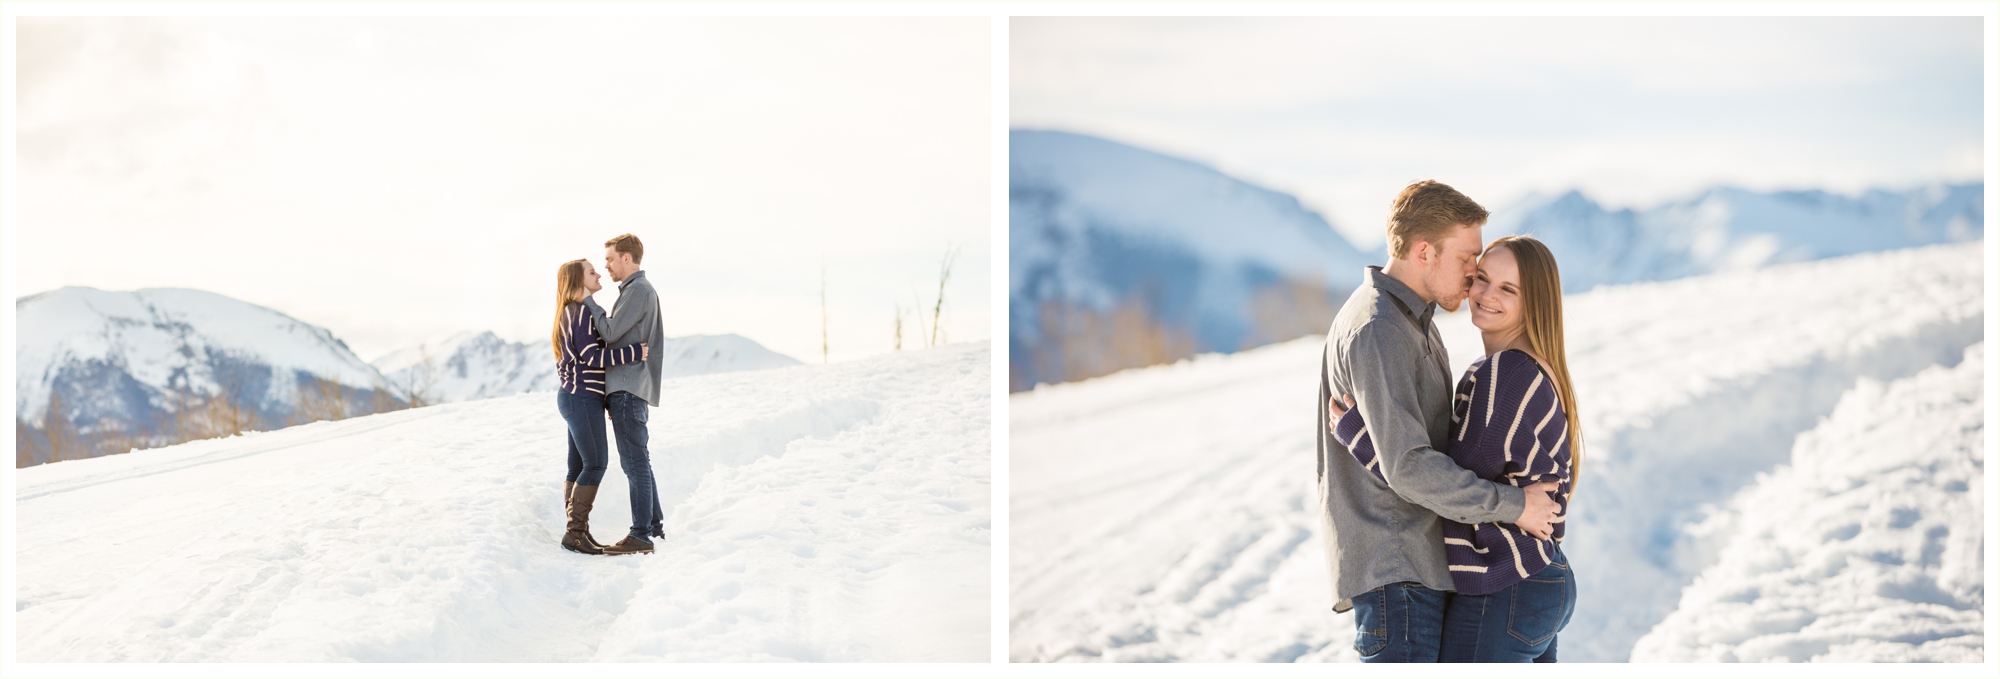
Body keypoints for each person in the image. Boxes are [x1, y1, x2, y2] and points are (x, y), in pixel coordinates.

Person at [1316, 180, 1564, 663]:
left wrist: (1368, 446)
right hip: (1399, 570)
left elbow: (1439, 453)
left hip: (1429, 570)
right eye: (1468, 259)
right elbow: (1409, 466)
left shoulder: (1413, 323)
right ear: (1424, 251)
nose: (1474, 276)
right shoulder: (1380, 329)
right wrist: (1516, 505)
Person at [552, 259, 647, 555]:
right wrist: (634, 351)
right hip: (581, 397)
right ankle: (575, 533)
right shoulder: (578, 312)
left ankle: (579, 532)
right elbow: (592, 356)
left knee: (578, 465)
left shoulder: (572, 312)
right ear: (578, 281)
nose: (598, 273)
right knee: (595, 463)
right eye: (591, 272)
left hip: (576, 396)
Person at [582, 233, 667, 556]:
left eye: (610, 259)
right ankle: (653, 527)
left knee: (635, 464)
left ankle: (641, 535)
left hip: (629, 389)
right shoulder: (636, 291)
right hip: (630, 388)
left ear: (626, 259)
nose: (606, 266)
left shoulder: (637, 291)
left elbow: (611, 331)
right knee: (638, 462)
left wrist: (587, 301)